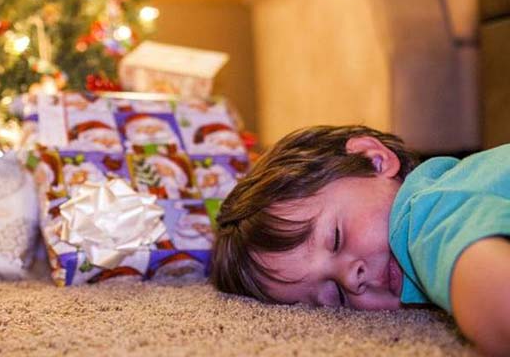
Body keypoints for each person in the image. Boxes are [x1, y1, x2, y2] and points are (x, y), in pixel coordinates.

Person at [211, 125, 510, 356]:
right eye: (337, 294)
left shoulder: (424, 213)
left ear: (374, 160)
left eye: (336, 238)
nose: (351, 279)